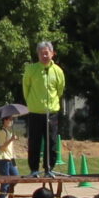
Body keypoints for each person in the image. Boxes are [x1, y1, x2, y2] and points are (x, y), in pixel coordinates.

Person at [20, 42, 66, 176]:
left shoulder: (58, 71)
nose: (44, 55)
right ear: (38, 55)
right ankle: (34, 169)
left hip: (51, 112)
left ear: (52, 53)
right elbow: (26, 88)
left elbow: (60, 89)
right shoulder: (31, 69)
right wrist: (32, 103)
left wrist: (52, 103)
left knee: (51, 141)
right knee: (34, 141)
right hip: (35, 111)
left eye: (47, 53)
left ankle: (49, 168)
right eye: (41, 53)